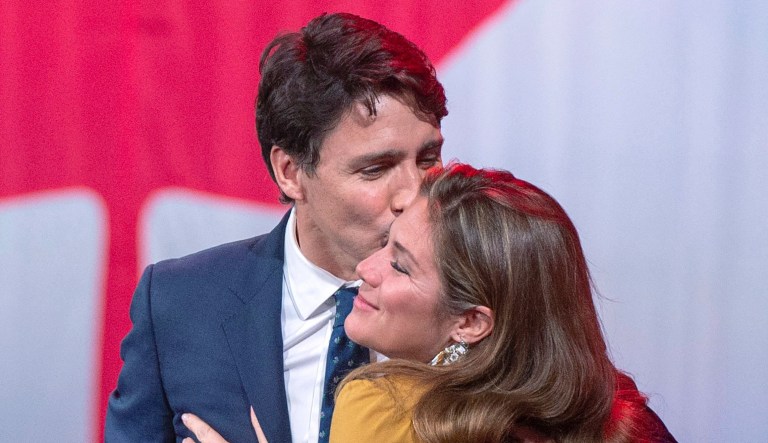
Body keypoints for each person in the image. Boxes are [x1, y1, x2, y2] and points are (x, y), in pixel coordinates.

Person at [105, 12, 447, 442]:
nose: (413, 194)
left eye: (428, 159)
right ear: (290, 172)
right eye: (376, 169)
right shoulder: (181, 303)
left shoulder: (482, 300)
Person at [183, 163, 676, 442]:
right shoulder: (629, 423)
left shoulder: (382, 410)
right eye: (386, 244)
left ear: (471, 322)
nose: (365, 269)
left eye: (400, 265)